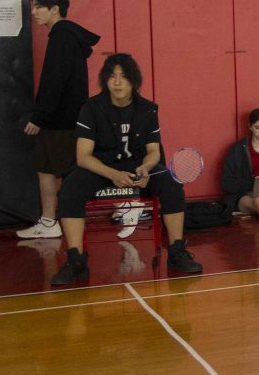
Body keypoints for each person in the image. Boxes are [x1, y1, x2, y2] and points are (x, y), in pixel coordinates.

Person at [50, 53, 203, 285]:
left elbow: (153, 151)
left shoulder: (148, 109)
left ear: (134, 81)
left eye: (124, 77)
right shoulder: (91, 108)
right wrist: (113, 174)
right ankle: (76, 261)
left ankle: (176, 252)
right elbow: (83, 157)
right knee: (69, 189)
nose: (118, 82)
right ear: (105, 80)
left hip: (138, 166)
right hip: (101, 167)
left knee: (172, 185)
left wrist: (146, 169)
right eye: (112, 77)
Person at [17, 0, 100, 240]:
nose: (33, 12)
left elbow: (54, 82)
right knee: (58, 170)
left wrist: (39, 116)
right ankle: (51, 220)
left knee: (50, 170)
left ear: (55, 8)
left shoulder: (62, 37)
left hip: (59, 121)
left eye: (38, 6)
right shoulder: (67, 36)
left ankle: (51, 221)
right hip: (68, 119)